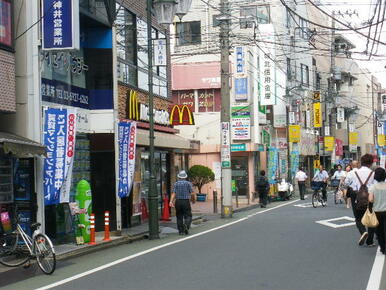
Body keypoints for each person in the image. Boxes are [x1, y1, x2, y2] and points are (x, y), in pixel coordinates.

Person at [345, 155, 375, 246]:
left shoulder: (354, 173)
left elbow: (346, 183)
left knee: (358, 218)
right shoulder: (373, 173)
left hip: (356, 196)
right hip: (370, 196)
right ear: (371, 163)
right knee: (370, 217)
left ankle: (363, 232)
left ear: (361, 162)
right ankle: (370, 241)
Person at [169, 170, 196, 236]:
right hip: (185, 201)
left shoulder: (176, 183)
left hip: (178, 201)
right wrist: (193, 200)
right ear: (185, 177)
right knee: (188, 215)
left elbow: (174, 193)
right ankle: (186, 225)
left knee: (179, 216)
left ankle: (180, 231)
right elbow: (192, 193)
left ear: (179, 177)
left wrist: (171, 201)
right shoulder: (188, 183)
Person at [369, 167, 386, 254]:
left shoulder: (373, 187)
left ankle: (383, 248)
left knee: (380, 231)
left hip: (377, 211)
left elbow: (371, 199)